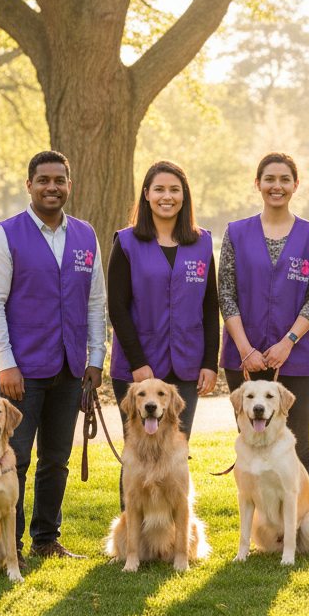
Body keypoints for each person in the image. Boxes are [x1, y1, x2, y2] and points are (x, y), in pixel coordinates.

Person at [0, 150, 106, 563]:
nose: (51, 187)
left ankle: (46, 538)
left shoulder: (86, 236)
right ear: (29, 185)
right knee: (11, 461)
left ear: (69, 185)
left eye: (59, 180)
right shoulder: (5, 235)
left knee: (57, 459)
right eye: (43, 180)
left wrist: (96, 358)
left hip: (71, 368)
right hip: (23, 370)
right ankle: (7, 544)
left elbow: (95, 302)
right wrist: (6, 363)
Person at [219, 152, 309, 491]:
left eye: (284, 179)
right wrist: (245, 350)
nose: (276, 186)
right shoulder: (236, 233)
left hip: (295, 357)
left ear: (296, 185)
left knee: (297, 444)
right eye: (269, 179)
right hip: (244, 357)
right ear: (258, 184)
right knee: (251, 444)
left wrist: (287, 343)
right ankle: (260, 527)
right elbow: (226, 293)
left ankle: (301, 526)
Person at [107, 160, 219, 443]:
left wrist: (209, 363)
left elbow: (209, 305)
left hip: (187, 365)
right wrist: (138, 363)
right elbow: (117, 307)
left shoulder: (202, 242)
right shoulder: (126, 242)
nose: (167, 197)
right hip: (138, 367)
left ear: (184, 195)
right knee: (138, 453)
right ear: (146, 194)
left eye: (174, 190)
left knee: (176, 451)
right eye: (159, 189)